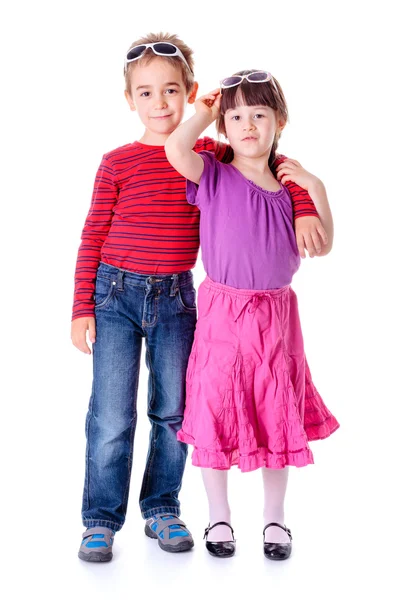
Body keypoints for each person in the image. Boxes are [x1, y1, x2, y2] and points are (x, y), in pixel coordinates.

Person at [165, 70, 339, 560]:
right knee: (217, 407)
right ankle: (218, 516)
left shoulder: (292, 188)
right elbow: (176, 151)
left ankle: (275, 520)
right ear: (223, 125)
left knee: (274, 409)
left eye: (258, 115)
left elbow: (323, 244)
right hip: (222, 311)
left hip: (276, 319)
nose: (247, 125)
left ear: (278, 120)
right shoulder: (214, 173)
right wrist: (204, 107)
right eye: (236, 116)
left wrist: (316, 187)